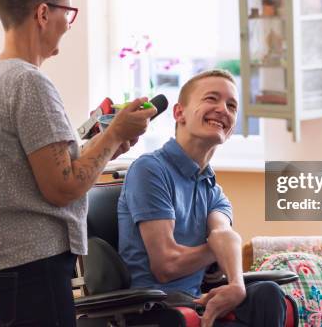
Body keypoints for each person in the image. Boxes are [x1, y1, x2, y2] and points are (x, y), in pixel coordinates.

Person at [0, 0, 156, 326]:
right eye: (68, 12)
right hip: (33, 265)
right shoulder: (29, 83)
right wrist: (115, 133)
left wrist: (109, 144)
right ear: (43, 14)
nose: (69, 24)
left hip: (5, 263)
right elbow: (62, 186)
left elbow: (40, 171)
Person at [118, 70, 286, 327]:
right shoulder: (150, 169)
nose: (223, 109)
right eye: (211, 99)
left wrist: (237, 285)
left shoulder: (212, 188)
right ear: (179, 113)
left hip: (195, 302)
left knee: (268, 295)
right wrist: (218, 251)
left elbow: (224, 234)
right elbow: (166, 265)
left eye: (231, 105)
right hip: (156, 309)